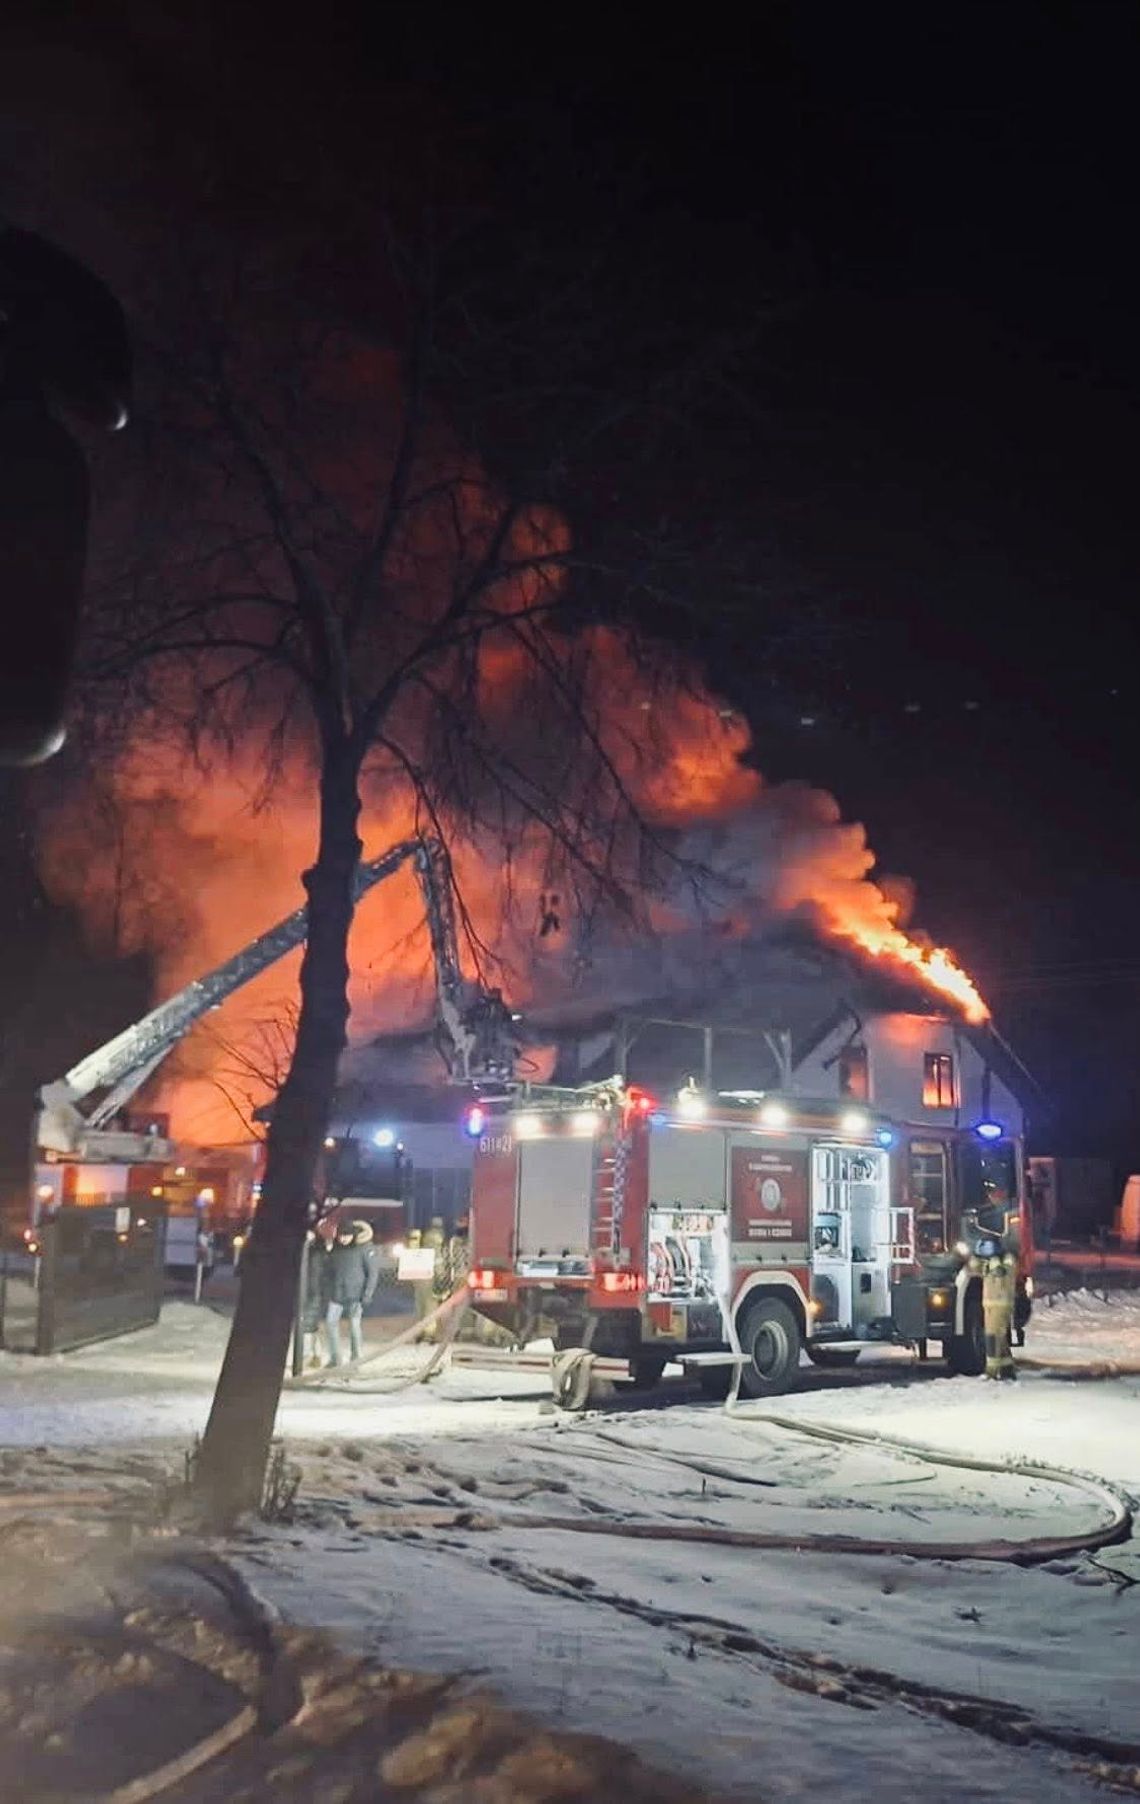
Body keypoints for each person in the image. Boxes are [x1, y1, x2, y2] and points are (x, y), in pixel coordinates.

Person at [322, 1219, 378, 1366]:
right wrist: (328, 1289)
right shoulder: (335, 1250)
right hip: (337, 1294)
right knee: (330, 1323)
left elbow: (372, 1273)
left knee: (354, 1325)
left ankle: (356, 1358)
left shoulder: (364, 1248)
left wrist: (367, 1294)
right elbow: (329, 1271)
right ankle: (335, 1358)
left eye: (346, 1236)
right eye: (341, 1236)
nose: (343, 1239)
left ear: (353, 1235)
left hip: (356, 1295)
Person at [969, 1234, 1018, 1381]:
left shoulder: (1008, 1260)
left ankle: (991, 1370)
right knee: (999, 1337)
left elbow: (1001, 1272)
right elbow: (974, 1268)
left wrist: (994, 1261)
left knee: (992, 1336)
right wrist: (976, 1257)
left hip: (1001, 1304)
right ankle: (1007, 1368)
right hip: (989, 1305)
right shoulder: (988, 1263)